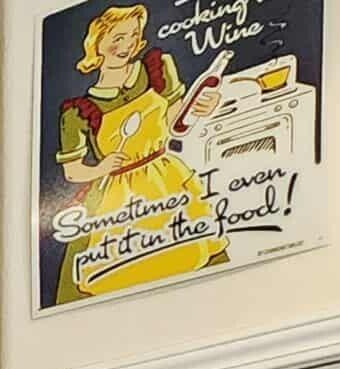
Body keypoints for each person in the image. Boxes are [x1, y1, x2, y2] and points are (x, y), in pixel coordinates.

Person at [52, 4, 225, 303]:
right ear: (97, 44)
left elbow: (175, 121)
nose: (127, 44)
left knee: (194, 255)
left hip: (166, 178)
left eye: (133, 35)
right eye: (117, 37)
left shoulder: (157, 68)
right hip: (117, 197)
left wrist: (201, 108)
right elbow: (72, 170)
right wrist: (101, 167)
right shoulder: (77, 112)